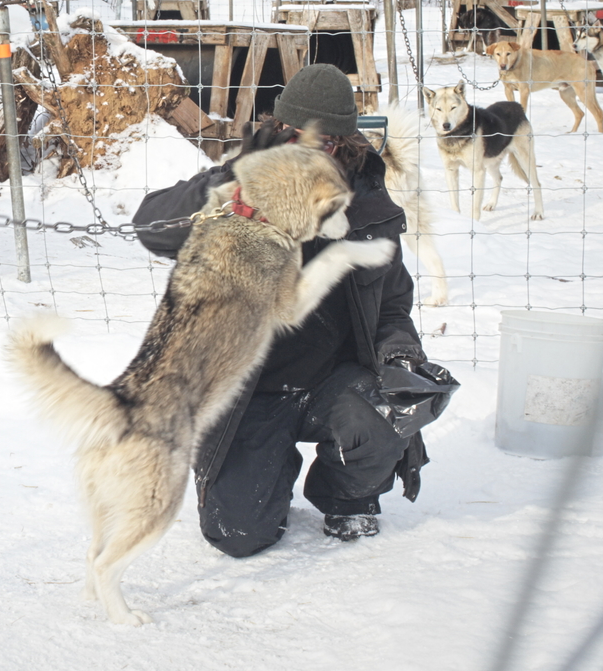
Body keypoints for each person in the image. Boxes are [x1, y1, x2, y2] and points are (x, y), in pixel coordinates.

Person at [134, 64, 451, 556]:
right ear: (279, 132)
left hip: (335, 381)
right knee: (238, 536)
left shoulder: (367, 205)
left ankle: (347, 494)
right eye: (297, 139)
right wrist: (230, 187)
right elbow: (151, 225)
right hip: (250, 390)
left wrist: (401, 356)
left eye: (324, 144)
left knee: (383, 407)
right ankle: (266, 471)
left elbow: (391, 303)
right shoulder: (244, 181)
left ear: (343, 144)